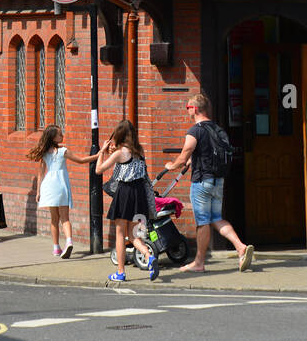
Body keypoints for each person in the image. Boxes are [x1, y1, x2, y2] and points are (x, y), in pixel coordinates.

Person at [165, 91, 253, 273]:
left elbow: (184, 155)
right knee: (216, 218)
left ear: (195, 109)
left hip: (202, 183)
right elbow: (205, 152)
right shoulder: (218, 129)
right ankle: (240, 247)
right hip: (218, 181)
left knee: (203, 222)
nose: (187, 111)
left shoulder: (195, 130)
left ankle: (199, 263)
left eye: (188, 107)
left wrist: (172, 165)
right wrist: (193, 160)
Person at [96, 119, 158, 284]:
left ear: (120, 135)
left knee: (120, 234)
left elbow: (98, 169)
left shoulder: (119, 153)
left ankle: (121, 272)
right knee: (134, 234)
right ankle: (148, 256)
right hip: (139, 194)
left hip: (125, 193)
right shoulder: (140, 151)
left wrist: (102, 151)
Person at [27, 125, 97, 258]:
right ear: (53, 138)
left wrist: (38, 191)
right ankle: (69, 241)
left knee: (54, 219)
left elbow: (41, 173)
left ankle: (56, 248)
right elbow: (81, 160)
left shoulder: (44, 152)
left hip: (49, 186)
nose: (62, 136)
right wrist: (97, 156)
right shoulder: (63, 151)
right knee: (65, 218)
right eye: (59, 134)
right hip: (61, 186)